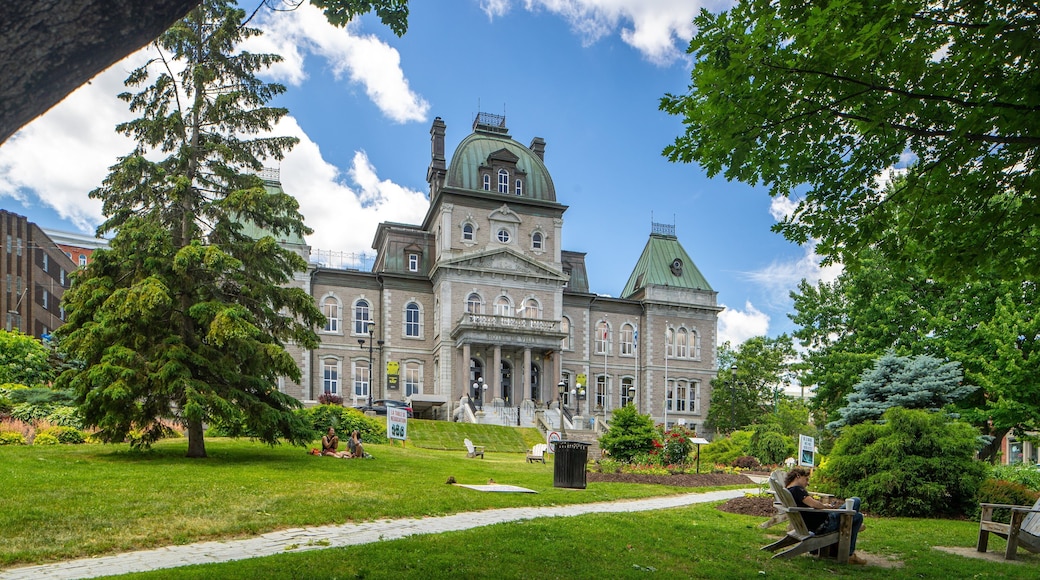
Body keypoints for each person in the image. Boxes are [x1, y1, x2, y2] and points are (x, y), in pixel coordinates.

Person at [784, 466, 866, 565]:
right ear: (797, 476)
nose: (807, 483)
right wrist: (824, 506)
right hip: (825, 524)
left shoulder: (788, 491)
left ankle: (843, 542)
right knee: (857, 509)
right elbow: (814, 504)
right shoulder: (797, 489)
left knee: (855, 516)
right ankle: (849, 554)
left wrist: (824, 506)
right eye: (806, 479)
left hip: (818, 525)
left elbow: (810, 506)